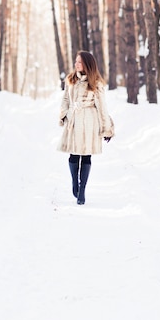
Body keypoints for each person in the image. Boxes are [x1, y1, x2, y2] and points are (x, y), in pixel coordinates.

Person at [58, 50, 114, 205]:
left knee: (86, 156)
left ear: (87, 64)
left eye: (79, 62)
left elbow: (102, 107)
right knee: (73, 155)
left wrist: (106, 128)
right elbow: (65, 99)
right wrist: (65, 114)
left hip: (90, 122)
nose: (76, 64)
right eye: (76, 61)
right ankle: (75, 183)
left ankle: (82, 190)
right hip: (74, 121)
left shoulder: (96, 83)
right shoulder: (71, 80)